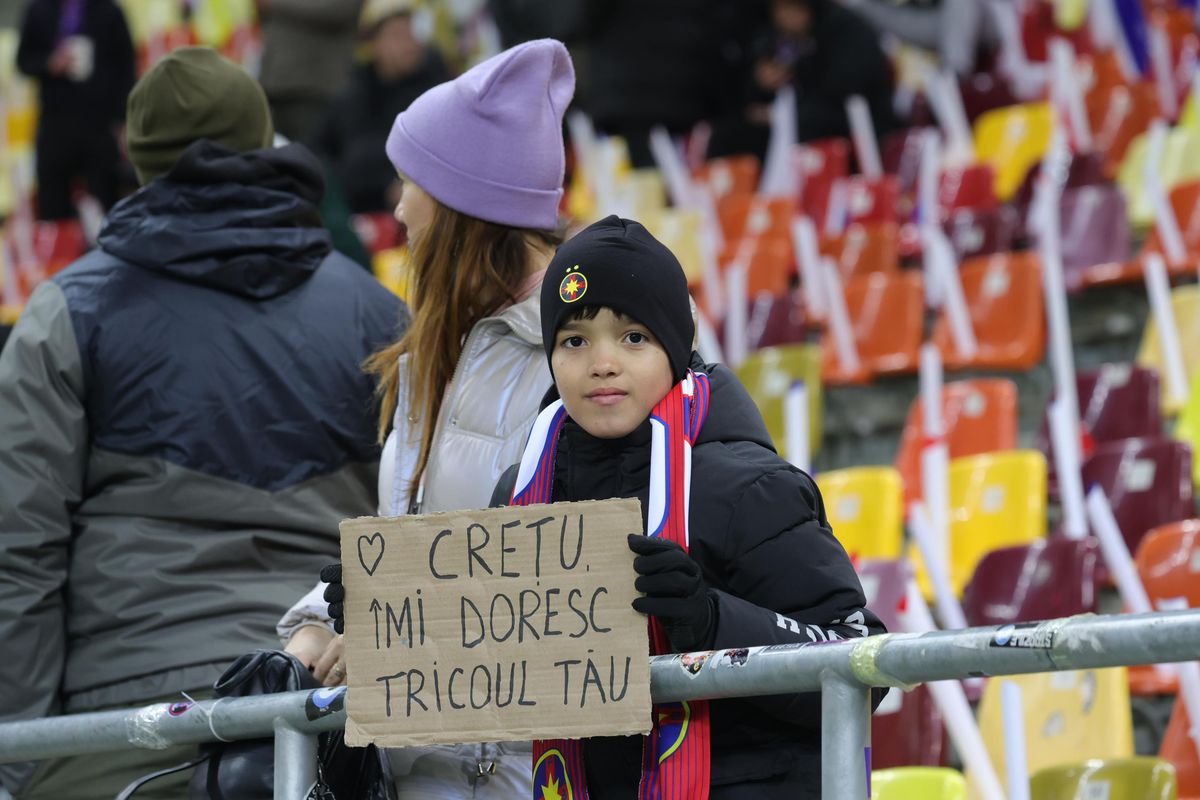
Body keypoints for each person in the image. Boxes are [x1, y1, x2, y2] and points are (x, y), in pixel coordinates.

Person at [324, 215, 887, 797]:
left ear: (677, 346)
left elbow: (860, 665)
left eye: (633, 337)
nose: (602, 363)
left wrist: (711, 621)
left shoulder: (750, 488)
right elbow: (495, 669)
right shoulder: (521, 495)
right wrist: (393, 622)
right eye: (574, 341)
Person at [0, 47, 405, 799]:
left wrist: (19, 758)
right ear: (263, 140)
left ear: (139, 157)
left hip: (124, 719)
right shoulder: (376, 313)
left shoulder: (67, 313)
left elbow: (19, 550)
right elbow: (419, 519)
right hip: (323, 709)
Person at [279, 38, 575, 797]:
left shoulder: (588, 363)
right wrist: (315, 628)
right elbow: (413, 543)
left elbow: (576, 588)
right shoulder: (427, 358)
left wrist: (395, 638)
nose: (398, 205)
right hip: (425, 771)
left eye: (413, 182)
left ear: (464, 209)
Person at [317, 0, 450, 213]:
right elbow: (330, 159)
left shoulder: (438, 93)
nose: (409, 41)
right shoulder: (352, 99)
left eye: (412, 30)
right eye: (397, 34)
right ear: (374, 44)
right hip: (361, 213)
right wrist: (384, 187)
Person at [16, 0, 136, 219]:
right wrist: (49, 63)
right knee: (52, 201)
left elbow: (127, 68)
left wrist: (122, 119)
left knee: (105, 199)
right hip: (55, 120)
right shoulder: (39, 9)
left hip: (99, 122)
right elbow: (23, 60)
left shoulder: (110, 11)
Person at [257, 0, 365, 145]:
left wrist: (275, 4)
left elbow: (339, 10)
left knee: (306, 152)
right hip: (274, 85)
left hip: (313, 90)